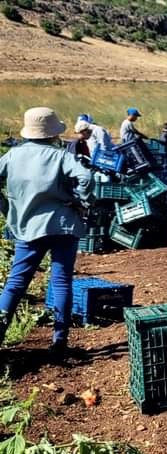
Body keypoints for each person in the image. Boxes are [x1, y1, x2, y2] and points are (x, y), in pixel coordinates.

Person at [0, 108, 93, 360]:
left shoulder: (12, 156)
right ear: (53, 133)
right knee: (61, 281)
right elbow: (85, 177)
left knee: (16, 282)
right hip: (62, 225)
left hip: (27, 228)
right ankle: (59, 342)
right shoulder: (60, 156)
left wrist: (7, 209)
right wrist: (82, 202)